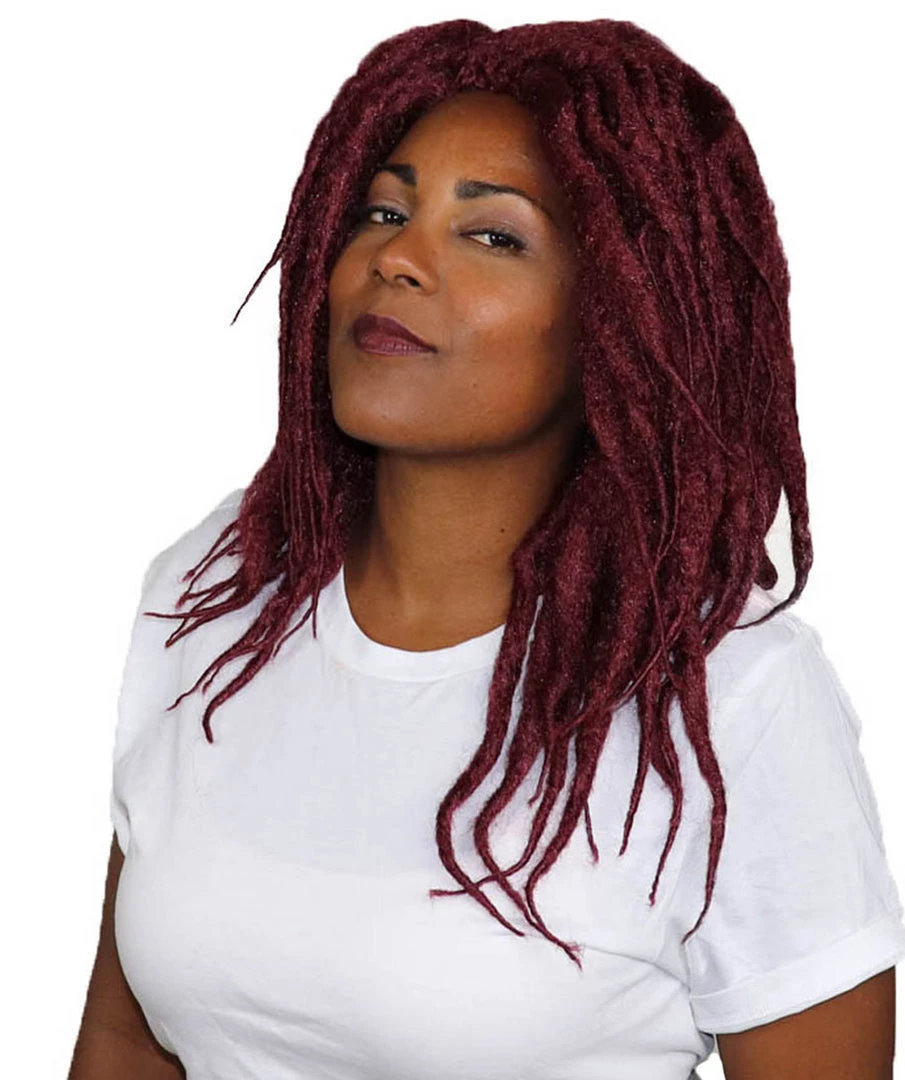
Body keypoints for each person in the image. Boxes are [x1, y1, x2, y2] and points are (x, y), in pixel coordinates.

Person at [69, 17, 905, 1080]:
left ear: (620, 321)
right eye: (382, 211)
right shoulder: (222, 591)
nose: (395, 259)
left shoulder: (727, 695)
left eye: (493, 236)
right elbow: (124, 1042)